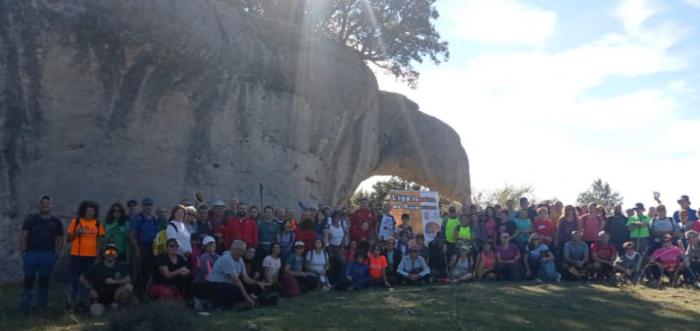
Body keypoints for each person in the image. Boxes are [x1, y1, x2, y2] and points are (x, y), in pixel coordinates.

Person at [19, 196, 64, 311]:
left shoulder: (56, 222)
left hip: (48, 255)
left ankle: (41, 306)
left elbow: (60, 239)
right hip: (31, 255)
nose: (45, 205)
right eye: (43, 203)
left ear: (51, 205)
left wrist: (56, 254)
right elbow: (24, 235)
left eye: (47, 203)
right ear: (39, 205)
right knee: (28, 280)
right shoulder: (30, 220)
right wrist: (24, 251)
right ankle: (25, 306)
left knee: (44, 281)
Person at [66, 201, 104, 310]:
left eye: (92, 211)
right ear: (84, 211)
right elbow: (68, 239)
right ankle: (70, 302)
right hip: (76, 255)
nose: (90, 213)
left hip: (91, 256)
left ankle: (81, 303)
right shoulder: (76, 221)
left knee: (86, 280)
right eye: (88, 210)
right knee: (74, 278)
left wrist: (98, 255)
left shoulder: (97, 224)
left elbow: (100, 240)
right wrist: (76, 233)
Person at [79, 244, 136, 316]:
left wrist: (114, 281)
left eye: (113, 252)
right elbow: (82, 278)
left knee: (128, 287)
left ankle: (118, 305)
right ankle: (109, 308)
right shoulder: (97, 266)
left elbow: (128, 279)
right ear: (103, 254)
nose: (110, 254)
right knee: (97, 314)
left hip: (115, 295)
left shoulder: (121, 265)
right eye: (108, 252)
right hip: (100, 297)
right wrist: (90, 289)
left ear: (117, 255)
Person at [206, 240, 265, 308]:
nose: (240, 252)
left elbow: (246, 279)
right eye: (238, 249)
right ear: (232, 249)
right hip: (215, 286)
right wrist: (247, 297)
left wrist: (257, 283)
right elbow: (236, 281)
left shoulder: (240, 259)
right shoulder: (227, 258)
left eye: (242, 250)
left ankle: (256, 299)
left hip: (227, 285)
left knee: (253, 285)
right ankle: (231, 303)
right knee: (236, 288)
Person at [128, 197, 158, 295]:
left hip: (151, 248)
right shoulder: (138, 218)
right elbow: (131, 235)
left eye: (150, 205)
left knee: (148, 271)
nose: (148, 207)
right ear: (143, 206)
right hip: (141, 246)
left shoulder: (153, 219)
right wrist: (137, 249)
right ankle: (135, 294)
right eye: (146, 205)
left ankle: (143, 294)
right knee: (137, 272)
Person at [326, 212, 348, 284]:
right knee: (338, 262)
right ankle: (332, 280)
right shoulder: (330, 227)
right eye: (335, 217)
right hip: (332, 247)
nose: (337, 219)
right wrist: (330, 252)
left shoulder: (341, 226)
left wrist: (342, 247)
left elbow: (343, 237)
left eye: (338, 217)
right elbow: (328, 240)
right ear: (333, 218)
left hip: (339, 247)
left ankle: (339, 279)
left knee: (341, 262)